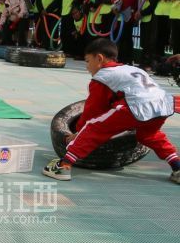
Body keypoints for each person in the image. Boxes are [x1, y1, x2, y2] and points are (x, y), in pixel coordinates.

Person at [44, 38, 180, 185]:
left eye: (88, 61)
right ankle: (177, 167)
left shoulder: (103, 77)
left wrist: (78, 132)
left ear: (99, 58)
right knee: (149, 135)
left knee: (94, 127)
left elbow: (93, 109)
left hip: (136, 106)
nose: (87, 67)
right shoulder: (132, 69)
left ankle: (63, 166)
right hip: (164, 105)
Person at [137, 0, 161, 70]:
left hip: (152, 16)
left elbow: (153, 4)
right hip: (144, 17)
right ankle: (144, 62)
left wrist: (141, 13)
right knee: (144, 41)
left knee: (151, 42)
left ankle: (149, 63)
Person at [112, 0, 138, 65]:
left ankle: (128, 59)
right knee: (121, 38)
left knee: (127, 37)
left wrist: (119, 1)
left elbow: (129, 0)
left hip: (129, 16)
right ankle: (121, 58)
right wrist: (116, 5)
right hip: (119, 16)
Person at [152, 0, 176, 64]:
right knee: (159, 39)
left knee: (174, 40)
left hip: (174, 15)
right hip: (160, 14)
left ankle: (175, 63)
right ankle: (159, 62)